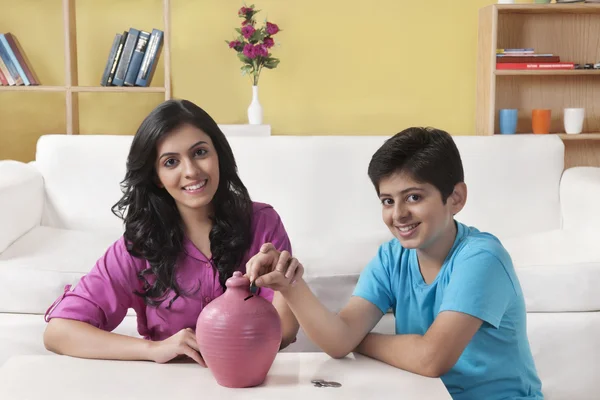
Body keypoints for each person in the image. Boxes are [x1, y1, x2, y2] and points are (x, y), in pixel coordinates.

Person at [246, 127, 544, 399]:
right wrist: (289, 286)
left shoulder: (482, 258)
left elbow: (431, 358)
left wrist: (358, 340)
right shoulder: (391, 258)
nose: (398, 214)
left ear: (455, 198)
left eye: (413, 197)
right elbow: (339, 341)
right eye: (388, 201)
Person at [43, 99, 299, 366]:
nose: (191, 171)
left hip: (250, 380)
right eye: (171, 162)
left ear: (218, 154)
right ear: (156, 177)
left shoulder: (262, 222)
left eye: (200, 152)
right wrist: (153, 349)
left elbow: (285, 331)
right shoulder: (140, 246)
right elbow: (59, 332)